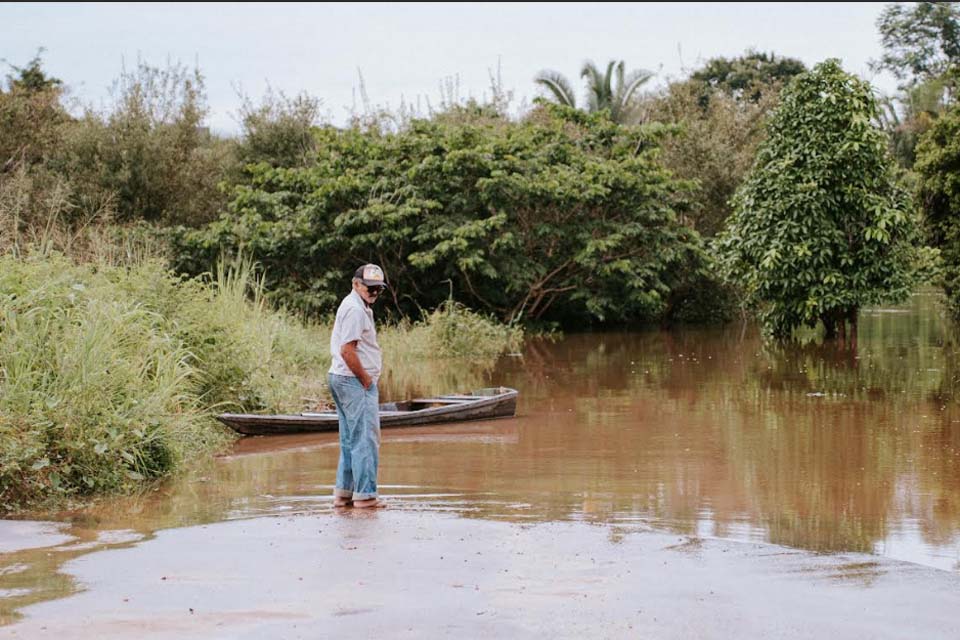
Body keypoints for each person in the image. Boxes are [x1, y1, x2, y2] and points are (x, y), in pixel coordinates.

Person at [328, 264, 388, 508]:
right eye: (369, 288)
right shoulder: (354, 309)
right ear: (356, 284)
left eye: (377, 290)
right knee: (365, 440)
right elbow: (347, 350)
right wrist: (365, 379)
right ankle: (366, 496)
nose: (373, 293)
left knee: (350, 440)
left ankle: (344, 494)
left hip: (341, 379)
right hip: (353, 381)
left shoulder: (357, 306)